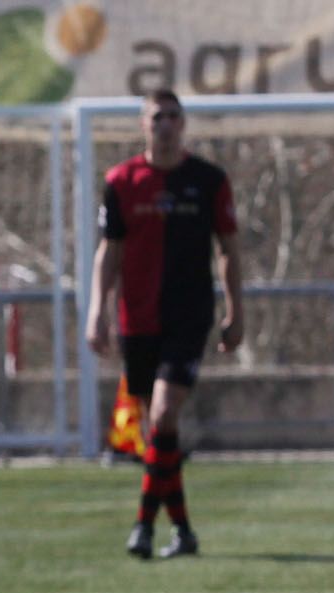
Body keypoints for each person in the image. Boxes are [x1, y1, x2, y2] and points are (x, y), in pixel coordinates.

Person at [86, 88, 243, 560]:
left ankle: (141, 527)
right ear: (143, 125)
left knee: (162, 414)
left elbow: (230, 251)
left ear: (184, 124)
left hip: (189, 317)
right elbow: (109, 253)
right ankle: (184, 531)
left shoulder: (208, 180)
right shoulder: (122, 181)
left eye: (174, 116)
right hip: (137, 320)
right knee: (157, 437)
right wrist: (97, 310)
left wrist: (237, 312)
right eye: (158, 117)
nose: (167, 125)